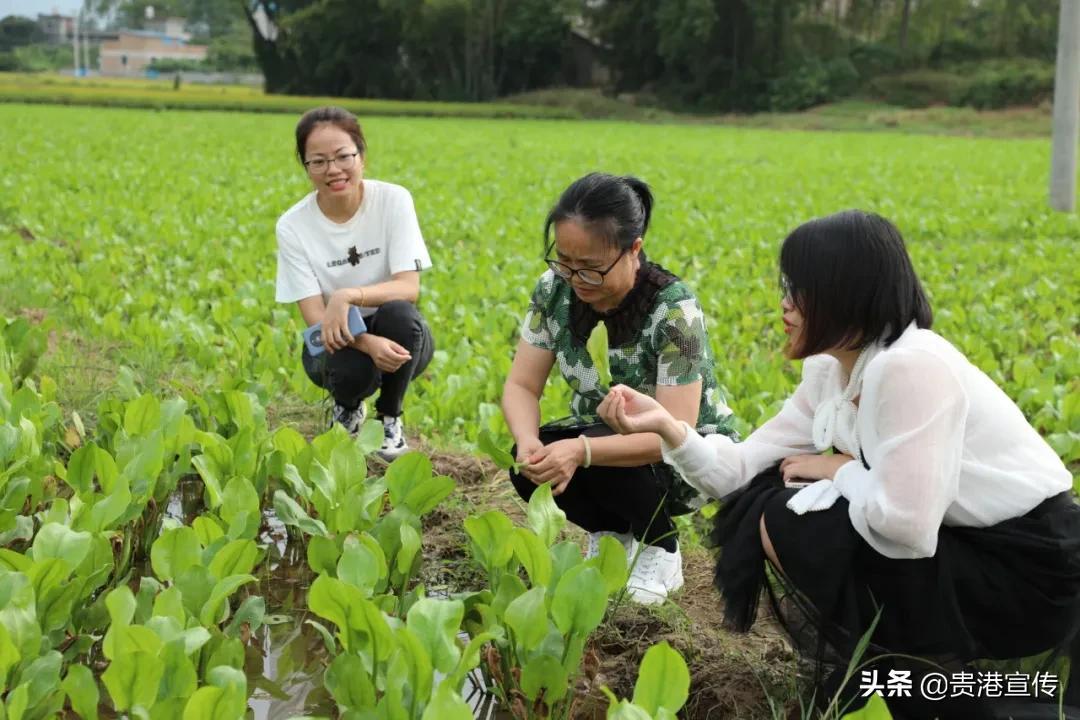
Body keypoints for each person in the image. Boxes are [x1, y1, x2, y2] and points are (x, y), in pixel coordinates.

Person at [599, 209, 1080, 717]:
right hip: (963, 541)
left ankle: (926, 669)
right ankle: (901, 662)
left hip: (1030, 564)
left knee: (799, 516)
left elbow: (908, 528)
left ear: (845, 293)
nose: (784, 304)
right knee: (772, 505)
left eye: (799, 289)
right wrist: (668, 428)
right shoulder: (832, 369)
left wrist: (838, 470)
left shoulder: (910, 367)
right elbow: (737, 471)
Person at [501, 172, 738, 605]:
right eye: (565, 261)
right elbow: (521, 384)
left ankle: (661, 547)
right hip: (606, 434)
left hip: (688, 456)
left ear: (634, 248)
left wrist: (582, 451)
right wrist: (528, 442)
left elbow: (675, 430)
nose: (576, 278)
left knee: (594, 449)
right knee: (533, 463)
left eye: (591, 267)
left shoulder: (674, 310)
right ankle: (612, 536)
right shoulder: (553, 291)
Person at [275, 106, 434, 460]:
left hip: (400, 336)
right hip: (333, 340)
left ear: (361, 155)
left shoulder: (393, 200)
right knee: (351, 365)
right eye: (318, 161)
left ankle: (390, 419)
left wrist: (347, 295)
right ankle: (346, 410)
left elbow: (409, 287)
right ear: (305, 167)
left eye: (343, 156)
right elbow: (316, 316)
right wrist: (366, 342)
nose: (333, 170)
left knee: (400, 315)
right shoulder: (293, 225)